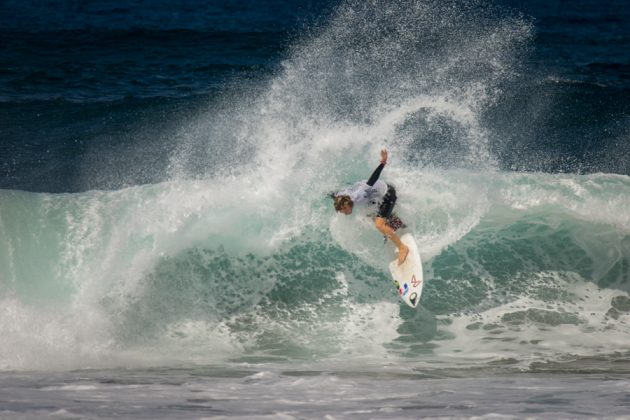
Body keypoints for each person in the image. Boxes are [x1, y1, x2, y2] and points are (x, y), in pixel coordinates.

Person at [332, 149, 409, 265]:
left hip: (387, 193)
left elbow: (372, 180)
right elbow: (334, 195)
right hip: (375, 197)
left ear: (347, 205)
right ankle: (397, 224)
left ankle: (403, 248)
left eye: (343, 211)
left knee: (379, 224)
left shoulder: (359, 196)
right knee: (371, 214)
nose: (343, 213)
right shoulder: (341, 197)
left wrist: (383, 162)